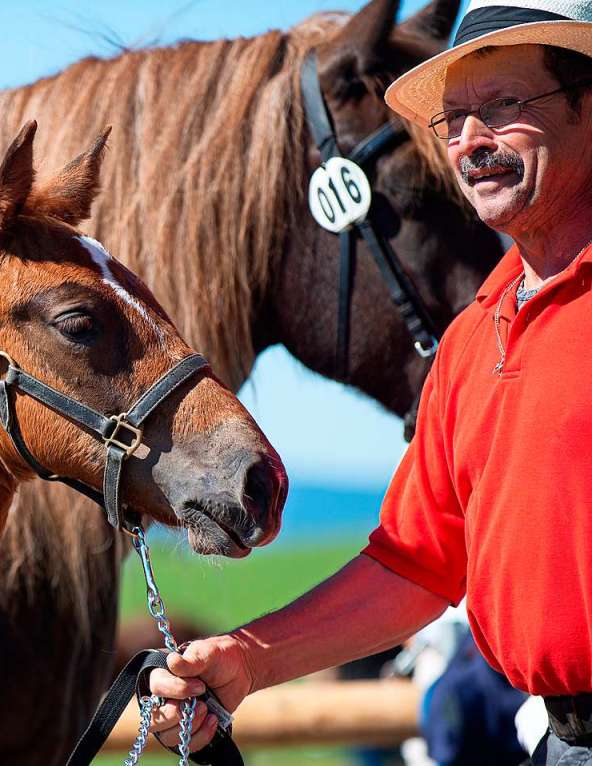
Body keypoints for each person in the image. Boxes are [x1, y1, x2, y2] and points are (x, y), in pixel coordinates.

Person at [148, 2, 592, 763]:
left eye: (505, 106)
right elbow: (416, 564)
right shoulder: (470, 337)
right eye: (454, 118)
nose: (471, 142)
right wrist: (249, 660)